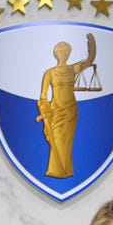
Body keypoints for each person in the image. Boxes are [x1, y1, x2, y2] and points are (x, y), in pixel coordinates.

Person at [36, 33, 96, 178]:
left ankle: (66, 170)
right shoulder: (50, 73)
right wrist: (46, 112)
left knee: (67, 142)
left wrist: (92, 45)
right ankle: (55, 170)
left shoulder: (72, 69)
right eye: (62, 52)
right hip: (56, 110)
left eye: (67, 52)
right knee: (56, 140)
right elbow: (43, 96)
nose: (65, 54)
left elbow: (89, 60)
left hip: (70, 110)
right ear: (57, 54)